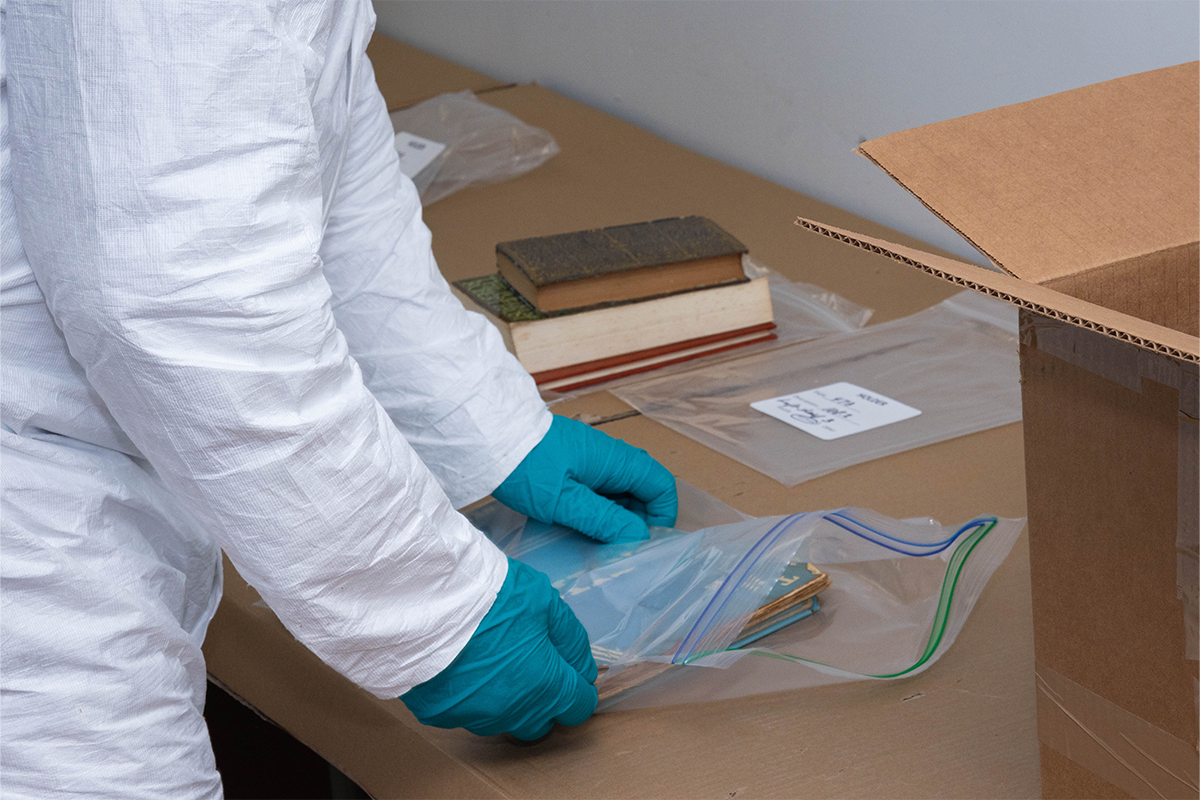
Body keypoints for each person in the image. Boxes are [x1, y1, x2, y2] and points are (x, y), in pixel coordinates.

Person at [0, 2, 678, 797]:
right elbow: (180, 302)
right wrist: (433, 611)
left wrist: (486, 422)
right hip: (38, 520)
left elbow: (321, 145)